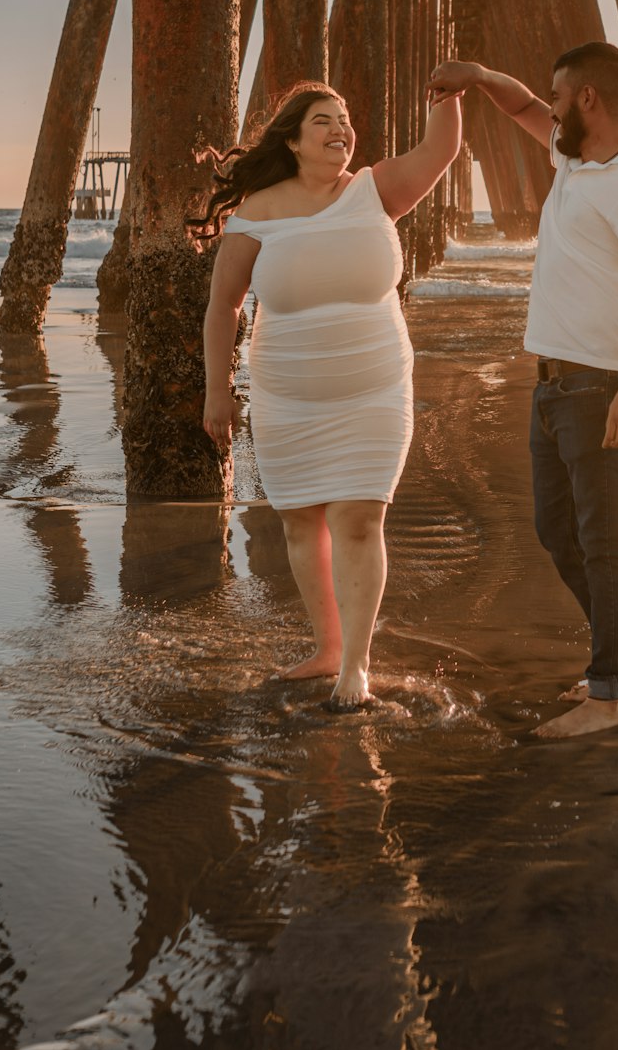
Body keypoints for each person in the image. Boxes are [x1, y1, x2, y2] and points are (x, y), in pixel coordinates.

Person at [428, 44, 618, 740]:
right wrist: (479, 73)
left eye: (559, 96)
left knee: (606, 545)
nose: (549, 108)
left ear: (590, 100)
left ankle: (608, 697)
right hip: (554, 387)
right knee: (557, 533)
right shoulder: (573, 158)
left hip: (603, 389)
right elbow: (517, 106)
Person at [192, 80, 462, 711]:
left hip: (374, 391)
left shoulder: (375, 189)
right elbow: (222, 307)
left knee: (359, 521)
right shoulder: (257, 211)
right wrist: (217, 392)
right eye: (324, 121)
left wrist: (451, 88)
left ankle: (356, 667)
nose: (341, 130)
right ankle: (327, 647)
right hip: (287, 399)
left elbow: (440, 150)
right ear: (293, 139)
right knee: (299, 522)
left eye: (345, 120)